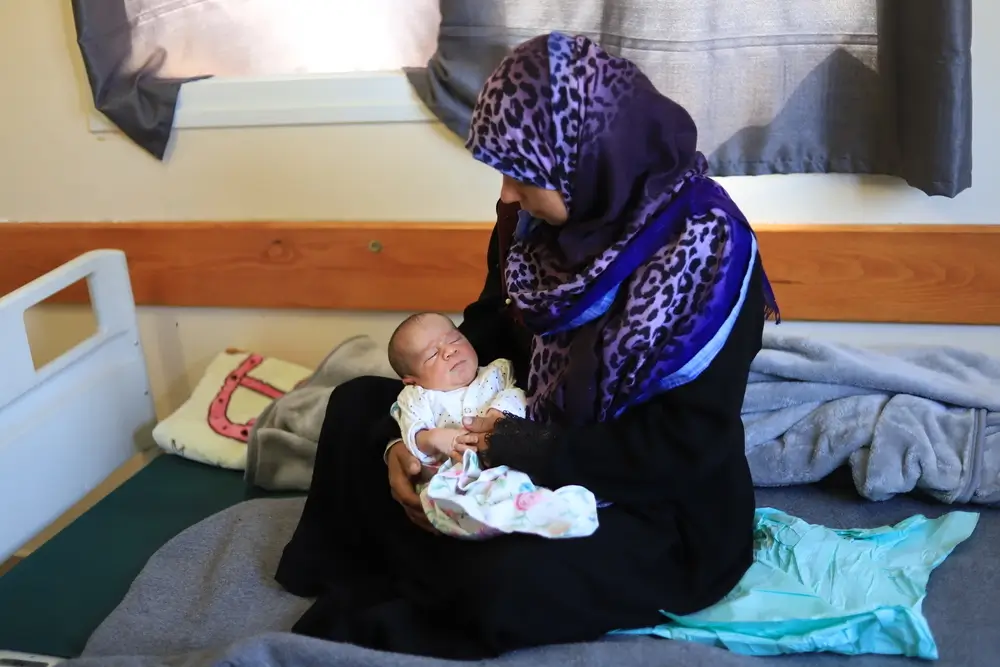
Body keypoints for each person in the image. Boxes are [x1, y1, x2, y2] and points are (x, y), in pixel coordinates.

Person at [274, 31, 780, 660]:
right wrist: (407, 442)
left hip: (649, 503)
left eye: (521, 173)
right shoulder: (532, 223)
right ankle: (420, 541)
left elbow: (683, 446)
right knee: (355, 407)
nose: (507, 192)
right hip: (510, 427)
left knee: (505, 582)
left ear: (587, 160)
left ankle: (423, 559)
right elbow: (489, 328)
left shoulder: (706, 260)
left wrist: (517, 448)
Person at [385, 311, 599, 540]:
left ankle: (542, 511)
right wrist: (434, 438)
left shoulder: (496, 372)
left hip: (503, 460)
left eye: (455, 339)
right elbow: (413, 433)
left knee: (513, 482)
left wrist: (497, 413)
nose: (449, 351)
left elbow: (515, 394)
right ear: (412, 380)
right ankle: (488, 517)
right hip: (455, 473)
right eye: (433, 354)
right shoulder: (416, 397)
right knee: (443, 495)